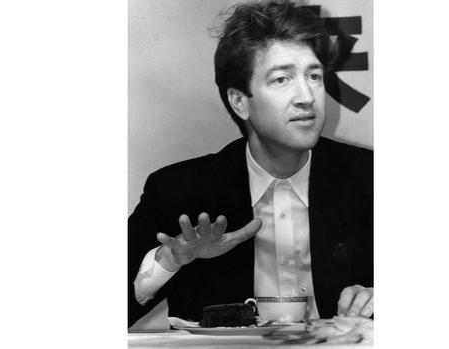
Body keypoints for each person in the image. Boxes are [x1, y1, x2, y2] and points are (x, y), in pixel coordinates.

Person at [128, 0, 373, 327]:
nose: (307, 96)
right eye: (282, 79)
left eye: (313, 76)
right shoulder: (179, 191)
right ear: (240, 101)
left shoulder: (371, 178)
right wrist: (171, 260)